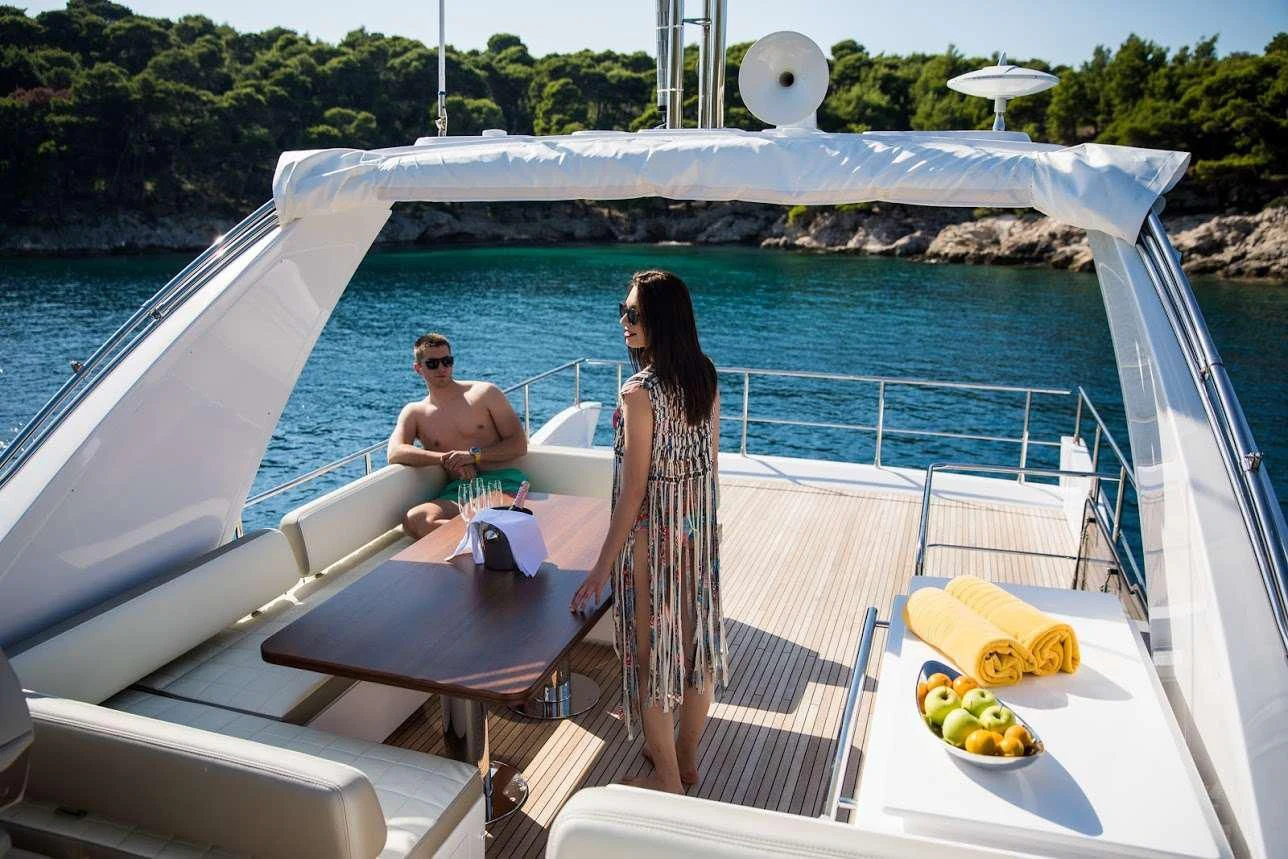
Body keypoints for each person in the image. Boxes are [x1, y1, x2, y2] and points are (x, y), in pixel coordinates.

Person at [570, 269, 729, 794]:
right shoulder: (704, 374)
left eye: (634, 314)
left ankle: (666, 780)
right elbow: (709, 461)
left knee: (651, 655)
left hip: (655, 536)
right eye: (623, 310)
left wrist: (598, 571)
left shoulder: (639, 392)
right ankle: (685, 757)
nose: (624, 322)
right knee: (695, 647)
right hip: (696, 529)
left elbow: (634, 490)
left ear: (663, 318)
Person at [387, 333, 529, 539]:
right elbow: (395, 452)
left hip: (501, 483)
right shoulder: (415, 412)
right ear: (418, 368)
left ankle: (487, 541)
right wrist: (447, 459)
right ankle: (488, 541)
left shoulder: (485, 393)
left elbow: (518, 445)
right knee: (415, 520)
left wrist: (472, 456)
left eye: (447, 361)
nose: (442, 368)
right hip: (458, 490)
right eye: (433, 363)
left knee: (480, 515)